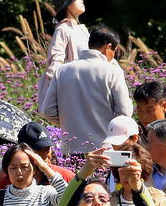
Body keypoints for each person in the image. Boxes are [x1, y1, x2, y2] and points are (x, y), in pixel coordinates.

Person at [37, 25, 133, 155]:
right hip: (104, 149)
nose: (113, 56)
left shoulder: (62, 70)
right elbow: (125, 112)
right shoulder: (113, 71)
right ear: (108, 47)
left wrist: (69, 120)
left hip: (71, 150)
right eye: (115, 51)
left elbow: (47, 111)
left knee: (75, 176)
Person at [37, 0, 89, 102]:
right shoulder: (63, 29)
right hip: (74, 90)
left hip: (88, 87)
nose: (81, 0)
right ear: (67, 5)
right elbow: (56, 58)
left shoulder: (83, 30)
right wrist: (52, 88)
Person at [0, 121, 76, 189]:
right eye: (39, 150)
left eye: (47, 149)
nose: (45, 154)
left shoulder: (66, 177)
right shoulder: (7, 182)